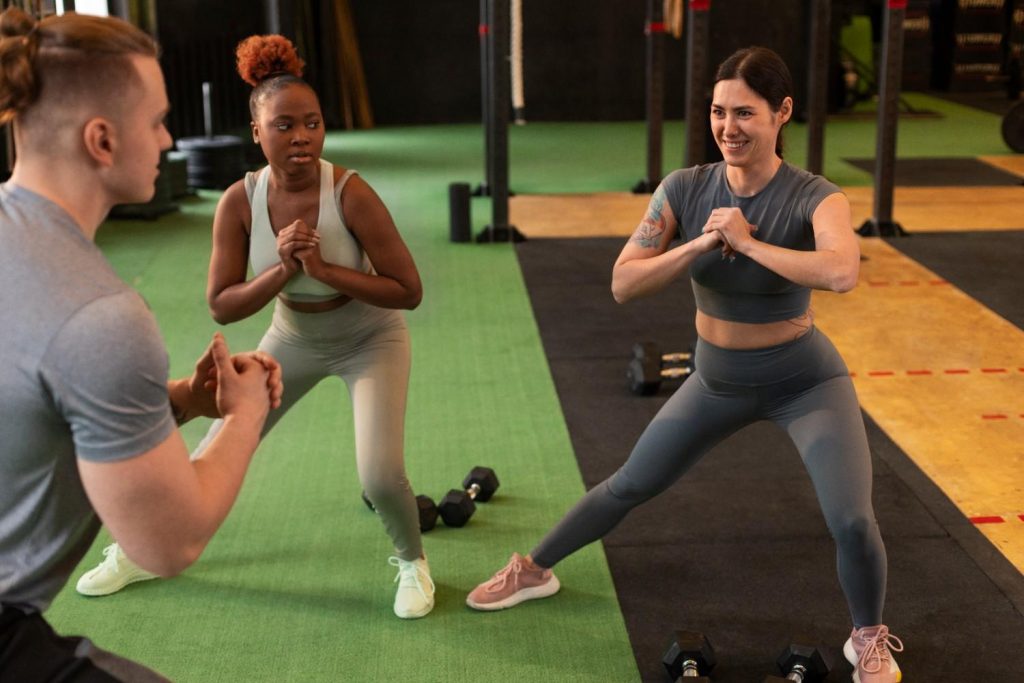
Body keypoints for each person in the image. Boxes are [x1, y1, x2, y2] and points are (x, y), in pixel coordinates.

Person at [466, 47, 903, 683]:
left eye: (746, 113)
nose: (728, 127)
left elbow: (841, 271)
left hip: (804, 381)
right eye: (719, 112)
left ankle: (866, 637)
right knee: (631, 483)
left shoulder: (815, 197)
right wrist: (701, 242)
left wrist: (750, 241)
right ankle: (533, 569)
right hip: (716, 379)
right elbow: (623, 283)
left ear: (782, 113)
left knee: (852, 518)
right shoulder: (685, 189)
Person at [76, 34, 434, 619]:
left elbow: (409, 292)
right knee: (212, 448)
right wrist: (285, 271)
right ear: (257, 132)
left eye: (312, 124)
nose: (301, 138)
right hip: (292, 338)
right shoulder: (240, 200)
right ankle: (143, 550)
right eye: (285, 125)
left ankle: (413, 562)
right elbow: (222, 304)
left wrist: (323, 269)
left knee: (379, 473)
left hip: (371, 339)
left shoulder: (350, 193)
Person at [0, 8, 283, 682]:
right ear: (102, 140)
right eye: (156, 120)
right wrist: (245, 413)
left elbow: (33, 397)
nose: (168, 137)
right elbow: (168, 541)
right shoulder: (100, 315)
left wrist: (182, 400)